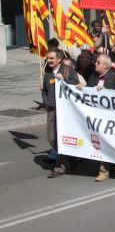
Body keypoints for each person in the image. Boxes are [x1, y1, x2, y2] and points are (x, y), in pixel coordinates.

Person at [79, 53, 115, 182]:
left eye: (98, 62)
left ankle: (105, 169)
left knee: (108, 143)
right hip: (96, 117)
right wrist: (81, 89)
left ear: (106, 66)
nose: (95, 64)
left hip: (111, 118)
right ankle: (105, 167)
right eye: (96, 62)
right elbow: (88, 93)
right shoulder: (93, 77)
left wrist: (107, 93)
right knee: (99, 142)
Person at [43, 49, 80, 178]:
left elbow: (76, 86)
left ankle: (60, 166)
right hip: (52, 109)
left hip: (65, 111)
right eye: (48, 58)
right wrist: (46, 102)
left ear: (59, 59)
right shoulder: (47, 71)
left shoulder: (67, 70)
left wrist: (64, 79)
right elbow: (45, 89)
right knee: (52, 138)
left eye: (51, 58)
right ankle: (70, 156)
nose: (49, 60)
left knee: (62, 138)